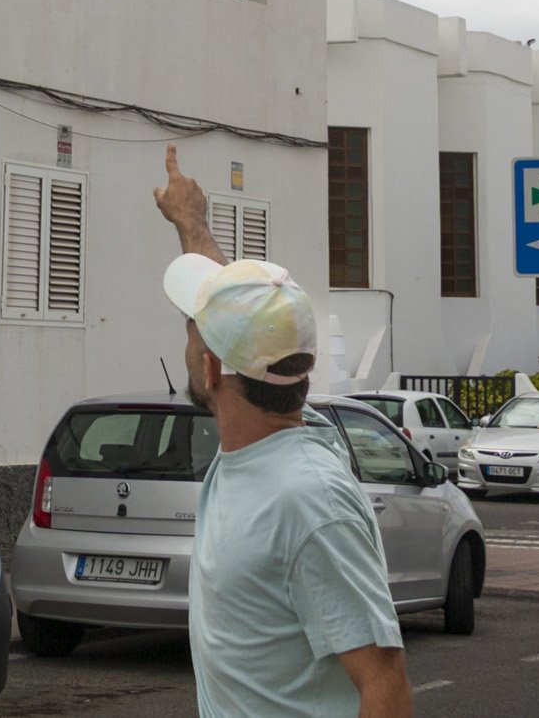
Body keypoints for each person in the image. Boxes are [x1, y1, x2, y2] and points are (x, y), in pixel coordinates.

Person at [153, 145, 414, 718]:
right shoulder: (272, 439)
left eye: (194, 333)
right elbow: (235, 305)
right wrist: (190, 223)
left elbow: (385, 685)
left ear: (211, 369)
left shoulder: (308, 499)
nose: (190, 337)